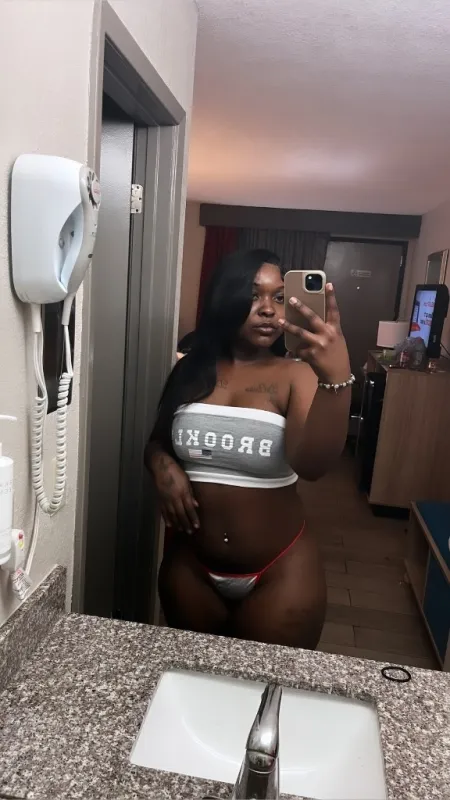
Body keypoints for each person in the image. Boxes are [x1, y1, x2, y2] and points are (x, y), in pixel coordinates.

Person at [145, 249, 352, 649]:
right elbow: (158, 440)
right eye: (254, 295)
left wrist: (336, 379)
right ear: (227, 297)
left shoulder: (297, 375)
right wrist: (160, 465)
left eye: (279, 297)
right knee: (192, 677)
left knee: (266, 685)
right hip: (190, 569)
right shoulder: (189, 369)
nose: (268, 310)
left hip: (280, 573)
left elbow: (311, 466)